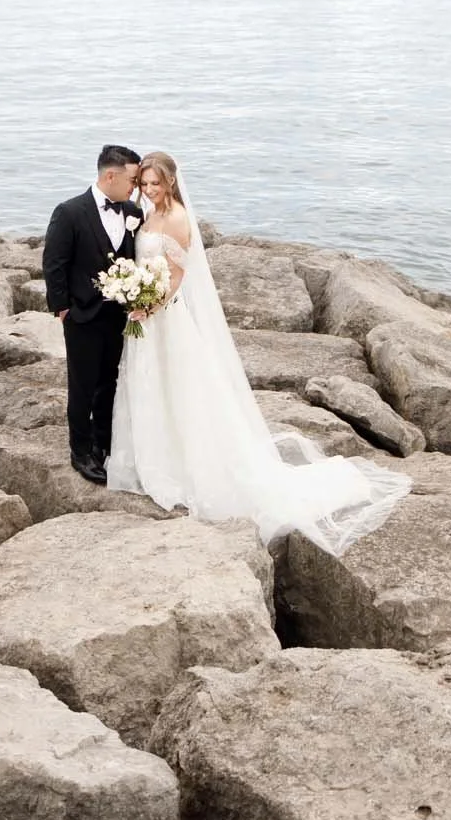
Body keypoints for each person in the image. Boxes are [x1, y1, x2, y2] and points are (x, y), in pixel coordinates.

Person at [106, 150, 408, 552]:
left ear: (171, 183)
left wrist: (149, 306)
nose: (148, 190)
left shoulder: (177, 219)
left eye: (155, 184)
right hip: (144, 314)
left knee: (176, 385)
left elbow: (177, 277)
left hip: (164, 316)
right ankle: (148, 458)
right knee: (145, 383)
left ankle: (183, 464)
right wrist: (133, 294)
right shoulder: (145, 214)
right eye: (144, 184)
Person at [42, 144, 145, 484]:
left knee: (110, 380)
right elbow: (55, 262)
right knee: (82, 384)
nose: (136, 187)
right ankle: (81, 451)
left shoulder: (132, 211)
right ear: (110, 175)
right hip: (82, 314)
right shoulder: (70, 211)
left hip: (121, 314)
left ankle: (104, 442)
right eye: (132, 179)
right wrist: (62, 306)